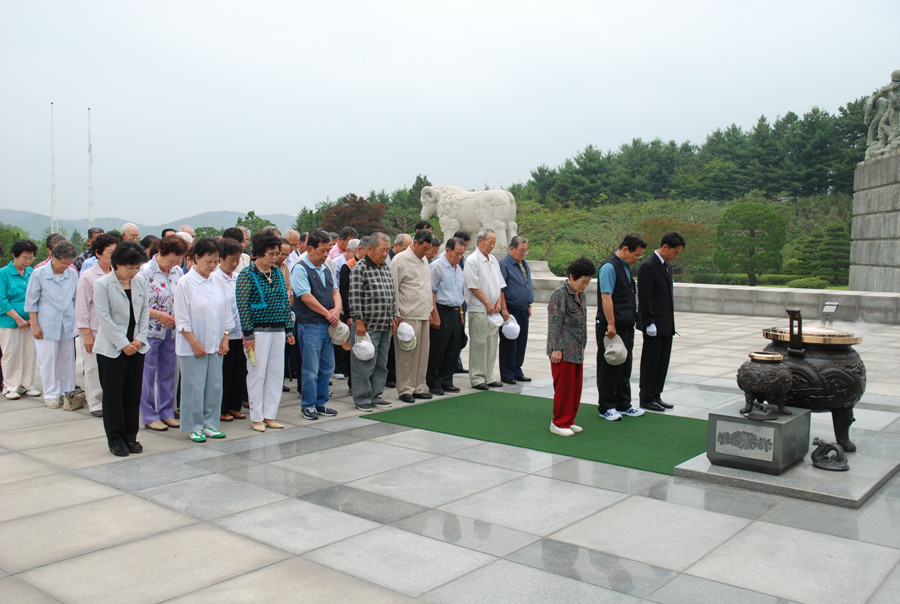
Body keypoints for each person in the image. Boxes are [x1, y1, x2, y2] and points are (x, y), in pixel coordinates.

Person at [174, 238, 234, 443]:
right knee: (194, 386)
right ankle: (194, 425)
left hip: (216, 344)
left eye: (216, 261)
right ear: (196, 258)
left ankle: (210, 423)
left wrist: (225, 337)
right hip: (193, 346)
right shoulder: (184, 282)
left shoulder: (217, 280)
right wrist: (194, 344)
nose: (212, 266)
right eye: (208, 261)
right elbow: (182, 319)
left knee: (215, 385)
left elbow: (226, 312)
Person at [93, 241, 149, 456]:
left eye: (137, 268)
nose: (133, 272)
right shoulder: (103, 284)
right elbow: (104, 318)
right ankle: (116, 439)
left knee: (132, 394)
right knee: (114, 395)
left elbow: (144, 312)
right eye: (129, 267)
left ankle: (131, 436)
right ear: (117, 264)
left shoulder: (140, 282)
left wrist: (139, 339)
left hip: (137, 346)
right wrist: (123, 344)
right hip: (112, 349)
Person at [236, 232, 295, 432]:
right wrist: (248, 334)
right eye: (270, 253)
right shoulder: (247, 275)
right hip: (258, 332)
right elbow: (242, 306)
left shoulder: (277, 272)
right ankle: (257, 416)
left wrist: (289, 329)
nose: (274, 257)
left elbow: (284, 303)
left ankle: (270, 414)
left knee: (275, 374)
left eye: (276, 253)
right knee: (257, 374)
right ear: (259, 253)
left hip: (278, 330)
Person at [139, 234, 188, 431]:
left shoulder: (177, 272)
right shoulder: (144, 273)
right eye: (172, 260)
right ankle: (150, 414)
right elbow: (138, 305)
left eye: (179, 260)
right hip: (151, 330)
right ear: (160, 252)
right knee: (148, 374)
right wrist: (159, 315)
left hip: (172, 330)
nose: (175, 264)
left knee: (169, 372)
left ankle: (167, 411)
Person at [596, 233, 647, 421]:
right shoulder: (609, 267)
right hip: (611, 326)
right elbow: (606, 296)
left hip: (626, 323)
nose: (637, 259)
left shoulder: (625, 267)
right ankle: (606, 406)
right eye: (636, 255)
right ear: (625, 249)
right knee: (610, 364)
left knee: (625, 364)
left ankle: (623, 403)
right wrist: (611, 323)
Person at [291, 228, 341, 420]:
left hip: (328, 325)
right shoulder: (301, 268)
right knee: (310, 369)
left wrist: (336, 310)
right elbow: (305, 297)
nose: (325, 255)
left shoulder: (326, 268)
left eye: (328, 250)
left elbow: (335, 292)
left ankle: (321, 402)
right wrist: (328, 313)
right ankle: (308, 405)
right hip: (311, 325)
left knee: (327, 367)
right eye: (322, 251)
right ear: (310, 249)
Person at [25, 239, 79, 408]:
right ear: (53, 257)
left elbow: (76, 299)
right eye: (63, 263)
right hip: (46, 322)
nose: (65, 267)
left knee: (67, 359)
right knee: (48, 359)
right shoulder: (39, 274)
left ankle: (67, 392)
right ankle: (51, 393)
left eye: (68, 264)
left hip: (67, 322)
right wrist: (35, 325)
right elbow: (31, 302)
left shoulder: (72, 273)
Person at [638, 232, 686, 412]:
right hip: (654, 324)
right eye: (675, 252)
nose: (676, 256)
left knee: (662, 362)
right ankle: (646, 397)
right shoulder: (648, 266)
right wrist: (648, 321)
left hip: (666, 324)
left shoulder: (666, 266)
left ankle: (656, 394)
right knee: (651, 362)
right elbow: (645, 297)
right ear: (664, 247)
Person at [547, 257, 596, 436]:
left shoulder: (580, 295)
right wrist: (556, 348)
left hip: (576, 349)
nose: (585, 286)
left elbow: (582, 322)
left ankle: (569, 420)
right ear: (572, 277)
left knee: (575, 388)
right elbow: (555, 323)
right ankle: (558, 422)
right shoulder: (560, 294)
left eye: (588, 282)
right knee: (564, 389)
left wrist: (583, 344)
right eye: (583, 282)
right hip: (563, 350)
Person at [75, 232, 121, 417]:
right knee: (93, 368)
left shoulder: (119, 273)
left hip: (115, 330)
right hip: (94, 329)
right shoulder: (88, 276)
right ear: (98, 253)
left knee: (112, 370)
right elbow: (82, 306)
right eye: (110, 252)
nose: (114, 255)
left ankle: (110, 401)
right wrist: (86, 332)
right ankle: (95, 403)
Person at [349, 232, 396, 411]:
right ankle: (362, 398)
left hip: (384, 324)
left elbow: (391, 295)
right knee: (363, 363)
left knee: (381, 363)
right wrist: (358, 321)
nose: (385, 254)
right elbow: (354, 297)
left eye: (387, 250)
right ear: (370, 248)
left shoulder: (385, 267)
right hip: (367, 326)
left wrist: (393, 317)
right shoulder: (359, 268)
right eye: (382, 250)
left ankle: (376, 395)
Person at [390, 229, 436, 403]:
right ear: (415, 242)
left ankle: (418, 386)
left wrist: (430, 310)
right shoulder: (399, 260)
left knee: (423, 354)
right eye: (424, 248)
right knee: (407, 354)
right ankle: (405, 389)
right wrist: (396, 313)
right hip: (407, 314)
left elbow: (426, 287)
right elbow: (394, 287)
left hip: (423, 313)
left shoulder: (424, 260)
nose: (426, 252)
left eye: (428, 249)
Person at [464, 228, 507, 391]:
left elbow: (500, 284)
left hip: (493, 310)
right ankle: (476, 377)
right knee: (479, 343)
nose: (492, 246)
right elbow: (473, 286)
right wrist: (488, 304)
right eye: (491, 242)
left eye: (494, 243)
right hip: (479, 308)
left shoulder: (493, 260)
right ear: (480, 241)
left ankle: (488, 375)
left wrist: (498, 304)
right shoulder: (472, 260)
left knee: (491, 343)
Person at [0, 239, 40, 400]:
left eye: (31, 257)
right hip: (9, 322)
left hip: (29, 321)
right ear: (14, 256)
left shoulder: (31, 272)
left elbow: (36, 296)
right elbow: (2, 299)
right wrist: (17, 318)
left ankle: (26, 384)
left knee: (29, 353)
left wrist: (32, 318)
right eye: (25, 257)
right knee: (11, 353)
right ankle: (10, 386)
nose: (28, 261)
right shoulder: (4, 273)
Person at [426, 237, 466, 396]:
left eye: (462, 254)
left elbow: (459, 292)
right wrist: (434, 314)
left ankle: (446, 380)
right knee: (438, 348)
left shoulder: (459, 267)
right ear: (447, 250)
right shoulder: (437, 266)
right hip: (442, 310)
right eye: (457, 253)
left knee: (453, 348)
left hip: (456, 311)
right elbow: (431, 291)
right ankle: (434, 381)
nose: (459, 257)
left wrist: (461, 313)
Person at [214, 237, 247, 422]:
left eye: (237, 260)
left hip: (240, 332)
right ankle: (221, 407)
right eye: (231, 260)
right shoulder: (215, 278)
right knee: (224, 373)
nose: (235, 264)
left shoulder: (238, 278)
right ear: (221, 258)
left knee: (239, 371)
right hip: (223, 334)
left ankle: (234, 406)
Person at [499, 236, 534, 384]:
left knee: (521, 341)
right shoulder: (504, 265)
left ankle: (517, 369)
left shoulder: (524, 265)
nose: (523, 253)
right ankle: (507, 373)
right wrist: (504, 309)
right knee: (509, 341)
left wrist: (529, 304)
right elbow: (501, 288)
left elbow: (527, 285)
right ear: (511, 248)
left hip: (523, 308)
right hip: (511, 309)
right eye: (521, 250)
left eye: (525, 250)